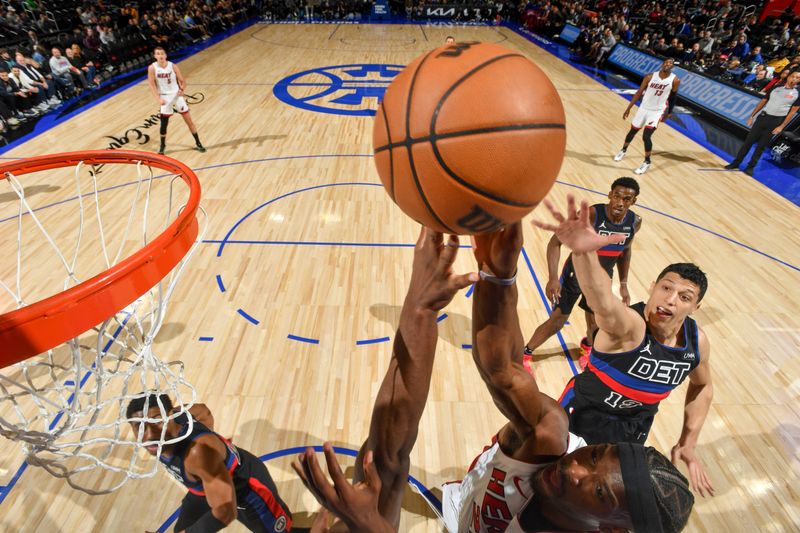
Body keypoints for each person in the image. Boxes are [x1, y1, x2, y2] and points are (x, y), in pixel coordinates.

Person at [294, 225, 696, 532]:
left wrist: (368, 526)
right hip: (467, 509)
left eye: (599, 490)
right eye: (592, 456)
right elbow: (504, 369)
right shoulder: (555, 440)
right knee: (379, 461)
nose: (575, 468)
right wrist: (496, 276)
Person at [534, 195, 715, 498]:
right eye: (666, 287)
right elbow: (600, 299)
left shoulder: (697, 343)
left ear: (695, 307)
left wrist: (688, 441)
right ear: (652, 287)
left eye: (684, 296)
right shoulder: (630, 327)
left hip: (633, 428)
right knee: (547, 488)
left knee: (599, 501)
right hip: (581, 415)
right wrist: (584, 254)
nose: (670, 299)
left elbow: (703, 386)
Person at [127, 394, 293, 532]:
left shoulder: (196, 453)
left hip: (248, 490)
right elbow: (203, 411)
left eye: (156, 420)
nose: (148, 435)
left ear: (170, 416)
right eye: (139, 426)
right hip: (205, 488)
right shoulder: (177, 418)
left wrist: (208, 451)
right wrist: (213, 445)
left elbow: (226, 511)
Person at [523, 177, 641, 368]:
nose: (620, 202)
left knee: (597, 323)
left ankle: (587, 346)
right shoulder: (592, 215)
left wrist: (624, 284)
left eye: (626, 199)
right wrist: (553, 278)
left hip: (602, 277)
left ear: (633, 202)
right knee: (557, 322)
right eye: (617, 196)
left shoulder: (635, 222)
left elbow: (625, 251)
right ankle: (525, 353)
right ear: (610, 195)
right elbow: (555, 242)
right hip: (576, 274)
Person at [725, 70, 799, 175]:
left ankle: (750, 167)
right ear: (788, 77)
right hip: (763, 118)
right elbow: (763, 101)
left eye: (798, 78)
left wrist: (781, 126)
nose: (794, 79)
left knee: (761, 146)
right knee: (748, 142)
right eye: (793, 76)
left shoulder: (797, 94)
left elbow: (792, 112)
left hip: (776, 121)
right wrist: (752, 116)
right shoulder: (776, 87)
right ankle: (736, 162)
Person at [614, 58, 681, 175]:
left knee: (646, 136)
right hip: (644, 108)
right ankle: (623, 150)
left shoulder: (675, 80)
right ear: (662, 64)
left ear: (672, 67)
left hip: (657, 111)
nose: (667, 65)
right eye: (666, 63)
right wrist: (629, 108)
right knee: (632, 131)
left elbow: (673, 97)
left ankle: (647, 162)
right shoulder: (650, 77)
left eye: (670, 64)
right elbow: (639, 92)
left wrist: (669, 113)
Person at [147, 46, 206, 155]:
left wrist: (182, 89)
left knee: (189, 121)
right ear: (155, 56)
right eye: (158, 54)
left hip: (177, 96)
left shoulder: (173, 66)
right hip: (164, 97)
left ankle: (198, 142)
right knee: (163, 125)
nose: (160, 55)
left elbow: (182, 81)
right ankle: (162, 146)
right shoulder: (152, 68)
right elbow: (151, 85)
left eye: (162, 53)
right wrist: (158, 99)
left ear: (165, 55)